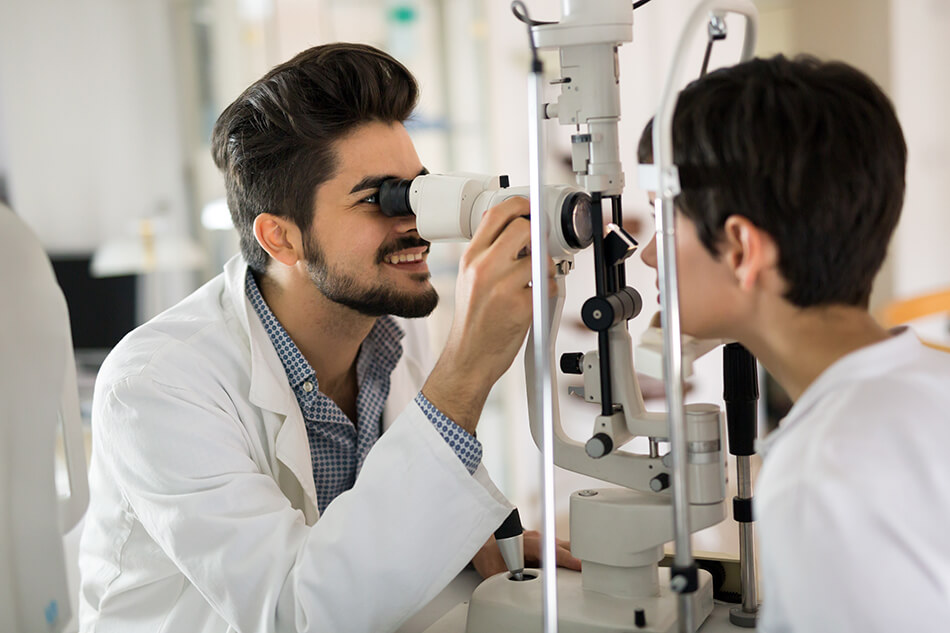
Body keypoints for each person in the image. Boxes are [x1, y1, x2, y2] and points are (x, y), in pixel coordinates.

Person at [78, 43, 578, 633]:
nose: (417, 220)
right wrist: (465, 372)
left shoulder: (392, 330)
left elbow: (404, 511)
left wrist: (469, 532)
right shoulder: (157, 385)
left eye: (418, 188)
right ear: (281, 239)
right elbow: (298, 613)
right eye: (380, 198)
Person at [637, 54, 950, 632]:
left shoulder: (823, 477)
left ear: (740, 249)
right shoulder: (932, 383)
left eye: (664, 221)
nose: (649, 254)